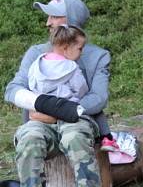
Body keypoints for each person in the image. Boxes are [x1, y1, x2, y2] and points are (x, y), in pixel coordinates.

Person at [5, 0, 123, 187]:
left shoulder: (95, 57)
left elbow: (98, 98)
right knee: (28, 139)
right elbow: (13, 90)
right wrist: (43, 106)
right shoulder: (36, 53)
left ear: (70, 22)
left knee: (75, 135)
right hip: (39, 123)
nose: (47, 22)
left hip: (76, 120)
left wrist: (57, 111)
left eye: (54, 16)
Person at [27, 24, 118, 152]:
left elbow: (32, 84)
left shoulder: (37, 63)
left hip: (44, 107)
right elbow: (81, 89)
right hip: (67, 106)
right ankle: (106, 138)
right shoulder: (71, 67)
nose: (81, 53)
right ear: (65, 48)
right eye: (80, 49)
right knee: (94, 108)